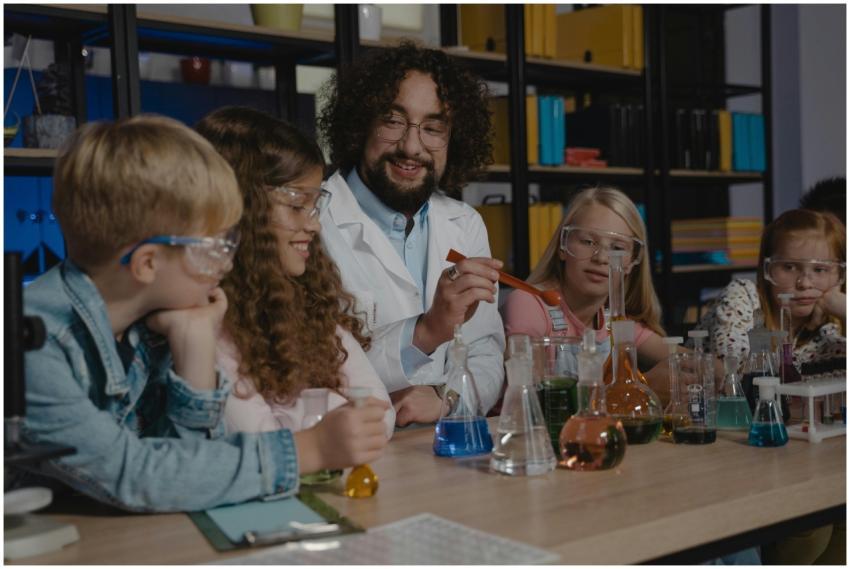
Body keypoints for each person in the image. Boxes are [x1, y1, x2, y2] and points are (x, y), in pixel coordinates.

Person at [19, 116, 389, 512]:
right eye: (216, 245)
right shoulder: (33, 345)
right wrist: (307, 450)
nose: (229, 264)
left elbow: (191, 473)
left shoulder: (160, 321)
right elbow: (135, 475)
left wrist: (194, 351)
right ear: (147, 264)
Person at [316, 41, 505, 426]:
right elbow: (309, 369)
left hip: (444, 443)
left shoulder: (464, 223)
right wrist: (425, 332)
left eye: (433, 128)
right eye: (393, 120)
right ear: (361, 122)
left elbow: (485, 351)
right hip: (351, 451)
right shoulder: (313, 219)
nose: (411, 146)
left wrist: (447, 400)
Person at [195, 106, 394, 438]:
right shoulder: (208, 317)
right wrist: (330, 410)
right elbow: (260, 443)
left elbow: (380, 416)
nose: (314, 224)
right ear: (241, 209)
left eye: (314, 205)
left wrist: (305, 417)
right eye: (296, 205)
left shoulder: (307, 306)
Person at [501, 186, 673, 395]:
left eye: (617, 248)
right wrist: (641, 388)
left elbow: (684, 358)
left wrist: (698, 368)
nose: (600, 258)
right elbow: (531, 397)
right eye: (587, 241)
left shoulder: (614, 323)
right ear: (562, 247)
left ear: (631, 263)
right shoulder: (529, 304)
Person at [700, 208, 845, 368]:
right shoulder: (743, 294)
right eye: (789, 267)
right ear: (766, 268)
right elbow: (733, 366)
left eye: (820, 269)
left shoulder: (830, 326)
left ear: (839, 275)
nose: (804, 283)